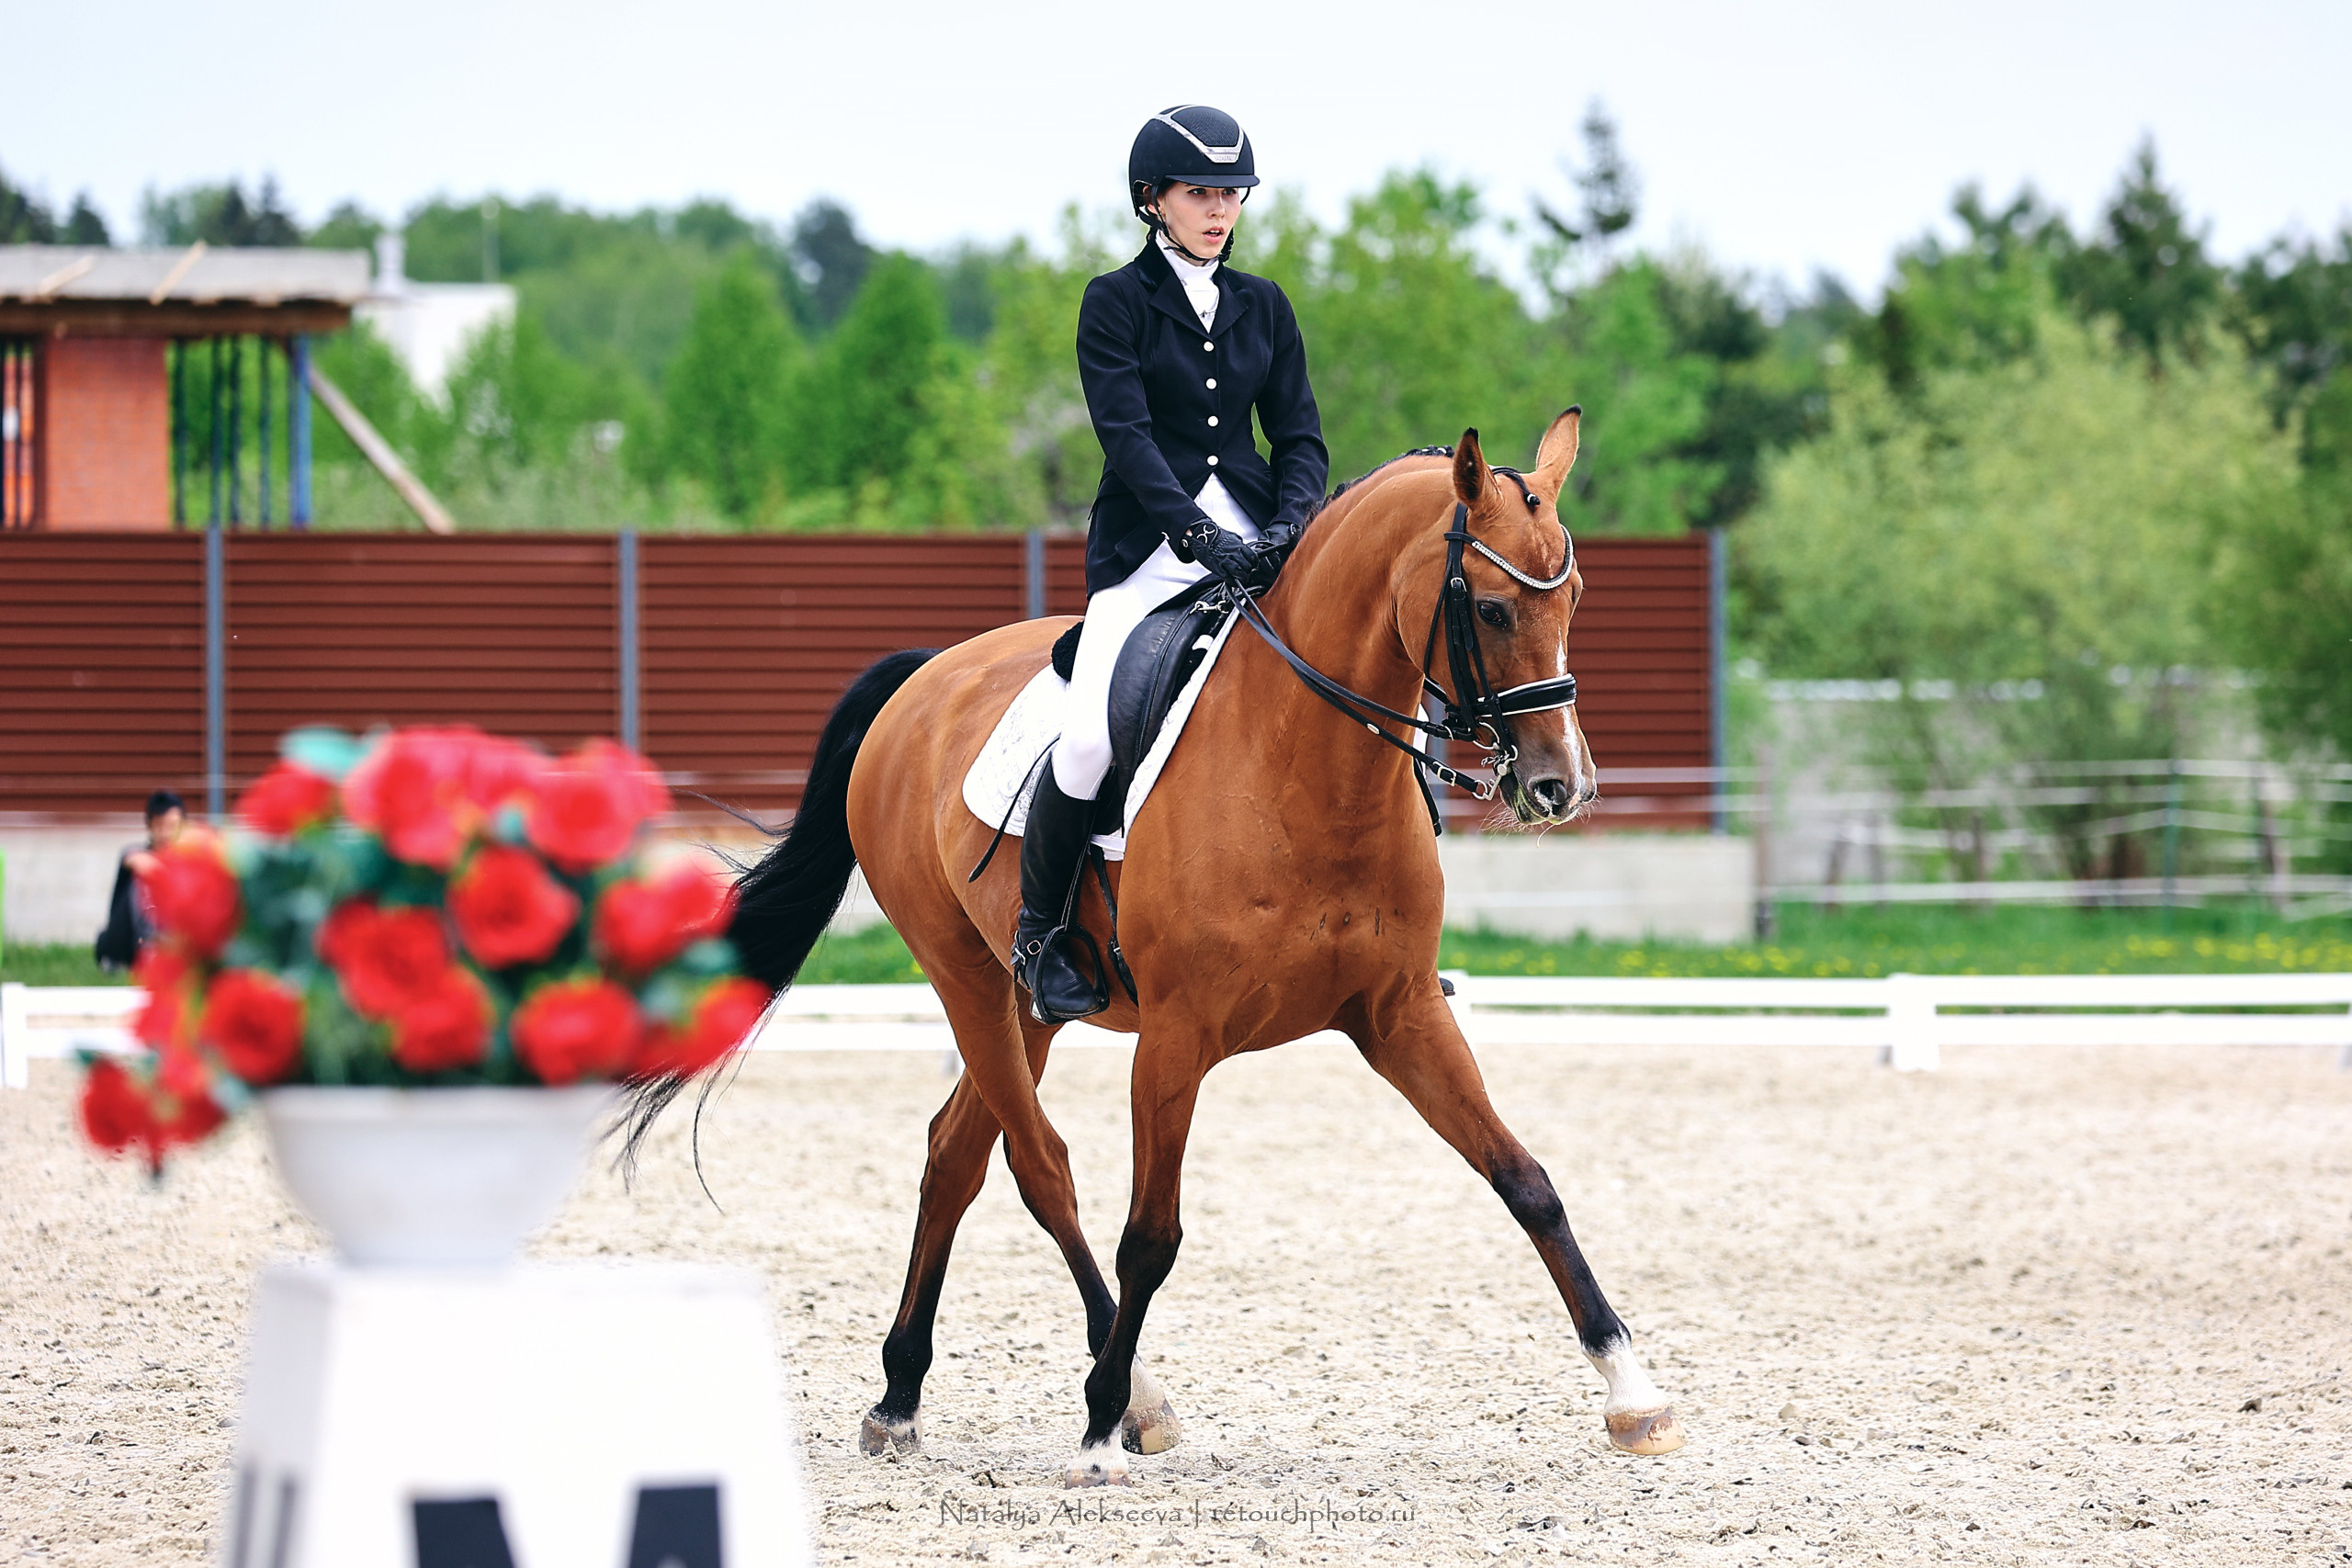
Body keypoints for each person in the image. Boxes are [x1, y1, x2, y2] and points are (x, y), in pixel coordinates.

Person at [1012, 104, 1329, 1024]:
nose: (1219, 210)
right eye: (1201, 193)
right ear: (1153, 200)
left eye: (1230, 194)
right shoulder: (1114, 301)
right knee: (1084, 739)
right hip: (1150, 554)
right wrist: (1199, 536)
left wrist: (1292, 521)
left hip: (1264, 548)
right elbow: (1128, 438)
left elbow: (1299, 433)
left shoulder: (1264, 304)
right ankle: (1041, 936)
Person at [94, 789, 186, 970]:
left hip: (172, 939)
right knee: (144, 882)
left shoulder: (188, 860)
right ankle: (150, 950)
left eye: (172, 826)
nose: (166, 833)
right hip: (125, 942)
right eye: (161, 826)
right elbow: (136, 860)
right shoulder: (136, 853)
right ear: (150, 826)